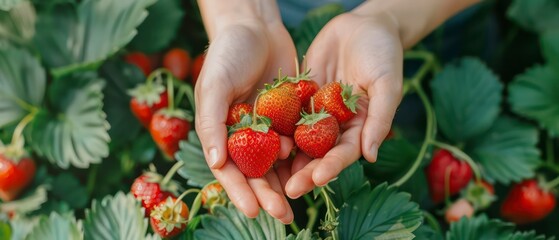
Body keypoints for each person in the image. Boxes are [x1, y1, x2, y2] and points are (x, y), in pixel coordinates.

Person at [194, 0, 480, 224]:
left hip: (441, 24)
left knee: (403, 126)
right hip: (282, 22)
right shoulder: (296, 103)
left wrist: (391, 17)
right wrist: (243, 17)